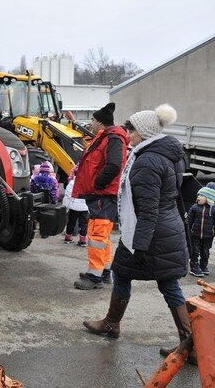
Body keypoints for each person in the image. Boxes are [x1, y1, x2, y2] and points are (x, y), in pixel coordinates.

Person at [83, 104, 194, 363]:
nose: (127, 133)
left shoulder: (147, 161)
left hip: (150, 233)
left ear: (143, 132)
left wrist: (141, 246)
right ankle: (188, 343)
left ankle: (191, 344)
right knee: (125, 273)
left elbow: (148, 210)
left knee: (167, 284)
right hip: (162, 228)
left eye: (131, 129)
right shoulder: (164, 153)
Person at [73, 102, 128, 290]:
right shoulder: (107, 137)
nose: (91, 123)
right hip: (103, 194)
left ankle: (94, 276)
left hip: (103, 194)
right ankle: (104, 271)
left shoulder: (112, 138)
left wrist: (97, 184)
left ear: (100, 122)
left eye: (93, 120)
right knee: (102, 235)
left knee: (97, 235)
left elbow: (113, 165)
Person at [186, 187, 215, 276]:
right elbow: (189, 221)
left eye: (202, 195)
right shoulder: (194, 207)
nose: (199, 197)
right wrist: (187, 231)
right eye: (198, 194)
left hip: (208, 235)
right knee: (195, 251)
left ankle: (203, 266)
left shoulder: (213, 209)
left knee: (205, 252)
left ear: (209, 198)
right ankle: (194, 267)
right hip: (195, 235)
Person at [63, 165, 89, 247]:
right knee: (84, 224)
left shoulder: (71, 183)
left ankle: (68, 237)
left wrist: (65, 206)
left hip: (73, 206)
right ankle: (82, 240)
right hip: (84, 207)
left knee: (71, 222)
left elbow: (67, 195)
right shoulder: (87, 182)